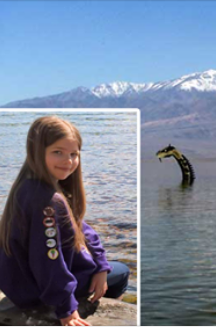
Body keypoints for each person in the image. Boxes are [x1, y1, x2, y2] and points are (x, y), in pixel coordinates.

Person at [0, 116, 130, 326]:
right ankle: (102, 307)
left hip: (21, 286)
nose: (68, 161)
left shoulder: (28, 186)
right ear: (36, 151)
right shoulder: (48, 202)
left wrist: (101, 265)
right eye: (57, 152)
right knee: (122, 272)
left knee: (108, 268)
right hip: (38, 293)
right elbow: (48, 261)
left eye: (73, 154)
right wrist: (66, 310)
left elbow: (82, 228)